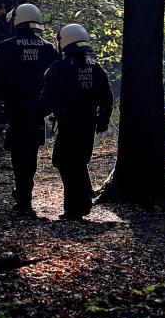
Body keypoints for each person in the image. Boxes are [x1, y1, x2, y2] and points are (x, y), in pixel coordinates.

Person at [0, 3, 59, 216]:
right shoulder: (49, 49)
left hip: (16, 108)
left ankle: (23, 195)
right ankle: (26, 191)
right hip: (39, 109)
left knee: (18, 152)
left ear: (17, 21)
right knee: (31, 150)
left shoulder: (6, 47)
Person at [38, 24, 113, 220]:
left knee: (65, 162)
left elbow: (48, 97)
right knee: (79, 161)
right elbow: (107, 97)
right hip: (89, 123)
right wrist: (103, 120)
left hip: (69, 123)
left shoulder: (59, 68)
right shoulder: (96, 68)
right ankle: (81, 202)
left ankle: (77, 206)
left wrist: (35, 114)